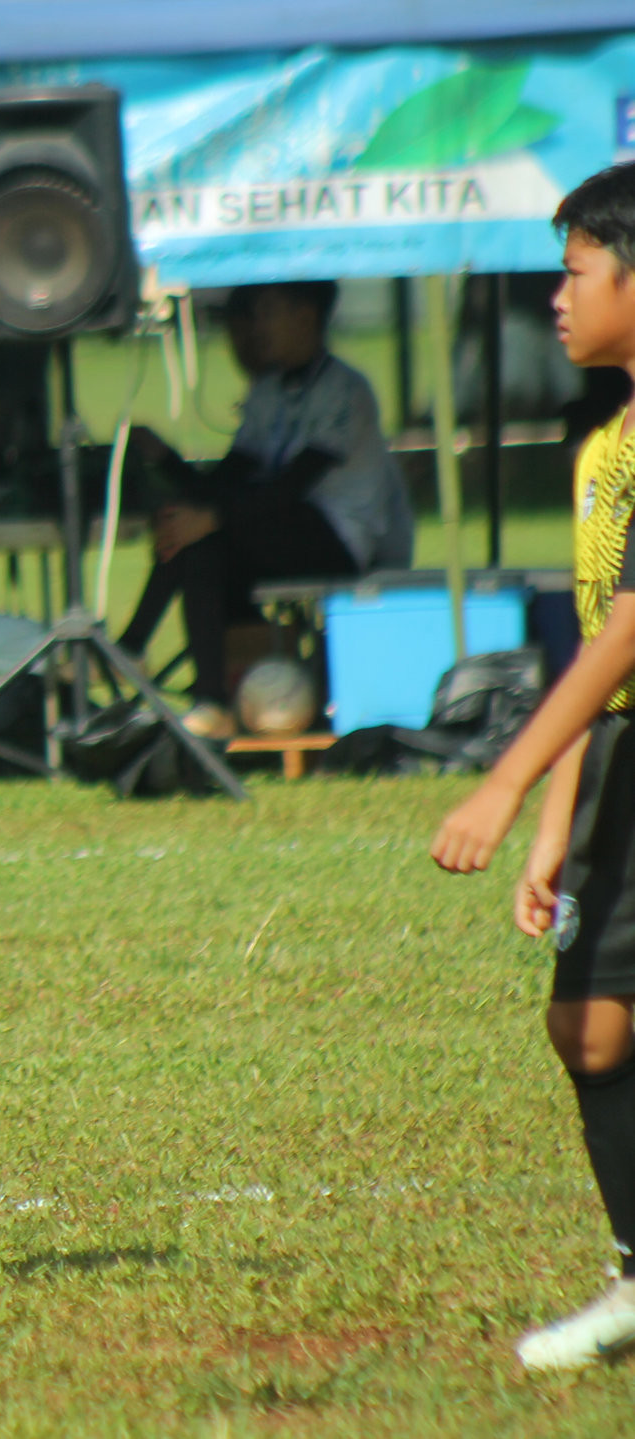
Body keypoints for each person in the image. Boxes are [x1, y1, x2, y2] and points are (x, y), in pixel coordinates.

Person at [431, 161, 635, 1373]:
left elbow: (626, 629)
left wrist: (502, 779)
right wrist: (558, 817)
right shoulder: (599, 447)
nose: (552, 300)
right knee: (587, 1027)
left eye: (571, 275)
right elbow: (594, 645)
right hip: (618, 753)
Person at [115, 281, 413, 737]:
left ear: (305, 317)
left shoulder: (344, 390)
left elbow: (290, 488)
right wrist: (168, 463)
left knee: (207, 531)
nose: (256, 328)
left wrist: (209, 518)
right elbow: (230, 479)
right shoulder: (268, 390)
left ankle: (135, 650)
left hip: (338, 539)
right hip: (276, 530)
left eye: (268, 313)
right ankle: (207, 700)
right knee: (197, 540)